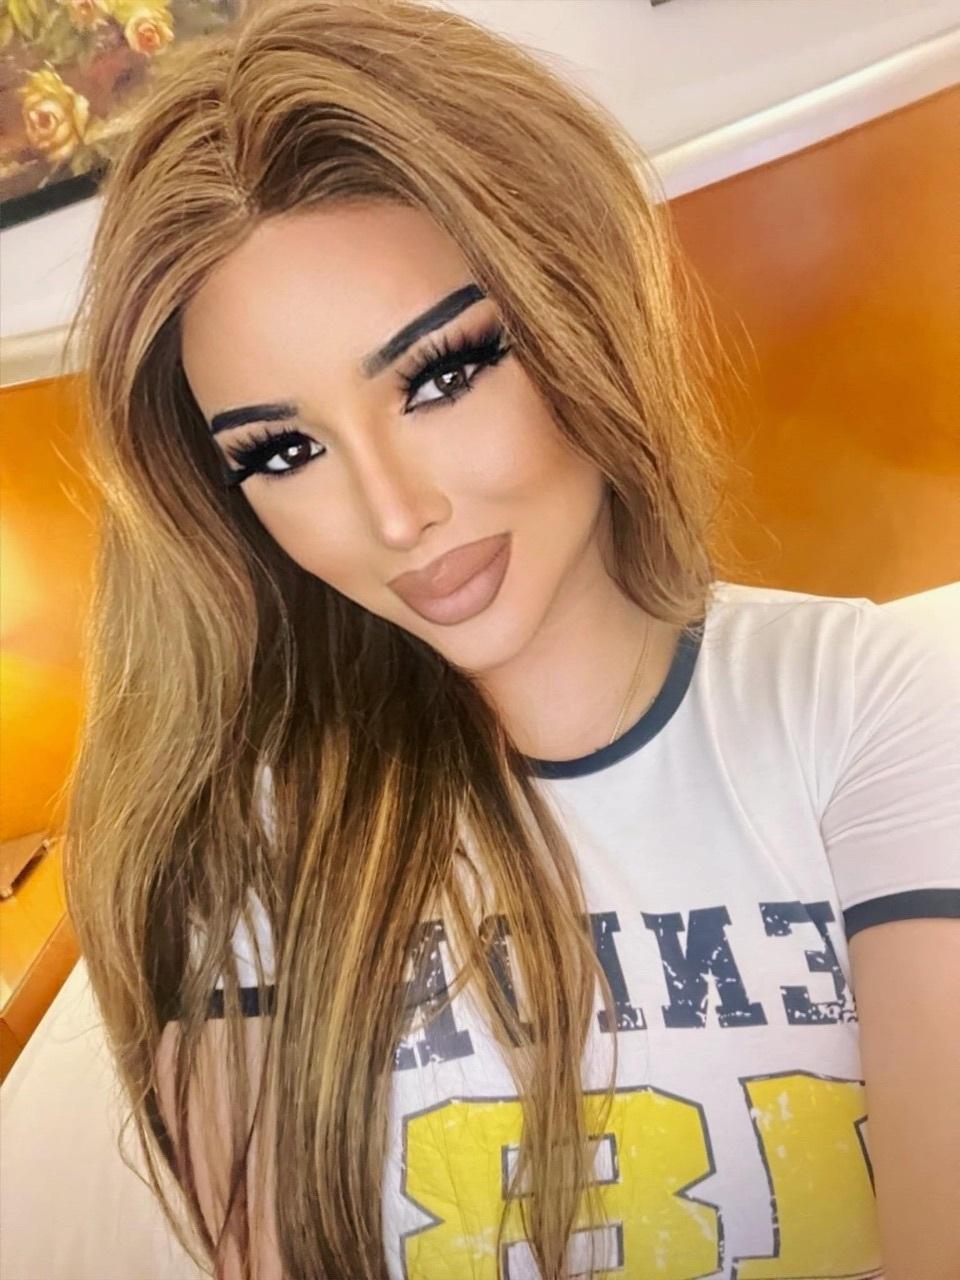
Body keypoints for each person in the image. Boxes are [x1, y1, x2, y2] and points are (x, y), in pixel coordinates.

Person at [61, 1, 960, 1277]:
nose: (395, 514)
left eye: (440, 374)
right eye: (284, 451)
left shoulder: (870, 703)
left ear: (577, 302)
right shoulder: (240, 833)